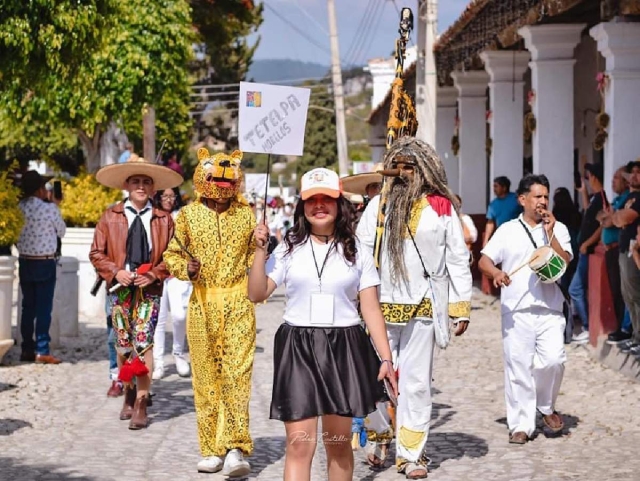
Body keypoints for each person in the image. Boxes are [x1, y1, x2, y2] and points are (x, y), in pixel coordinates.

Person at [247, 167, 397, 481]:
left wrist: (386, 359)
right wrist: (260, 252)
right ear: (302, 206)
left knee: (338, 445)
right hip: (297, 347)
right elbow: (256, 293)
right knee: (300, 445)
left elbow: (371, 309)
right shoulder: (287, 248)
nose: (319, 205)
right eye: (311, 199)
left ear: (338, 203)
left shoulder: (357, 251)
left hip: (343, 347)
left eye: (326, 199)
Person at [357, 137, 472, 479]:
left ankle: (411, 454)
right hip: (380, 305)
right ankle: (378, 435)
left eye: (411, 166)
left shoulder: (441, 207)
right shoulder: (378, 206)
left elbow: (457, 256)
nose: (404, 173)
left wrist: (460, 305)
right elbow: (362, 251)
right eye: (399, 165)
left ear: (425, 169)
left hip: (425, 303)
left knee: (417, 383)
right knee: (374, 379)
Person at [163, 149, 256, 477]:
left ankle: (235, 447)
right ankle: (211, 448)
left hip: (238, 303)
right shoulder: (187, 216)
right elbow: (171, 255)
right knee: (205, 379)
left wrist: (260, 247)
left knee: (237, 376)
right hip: (202, 305)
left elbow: (251, 260)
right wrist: (185, 268)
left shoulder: (247, 215)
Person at [90, 154, 182, 430]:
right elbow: (96, 252)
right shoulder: (110, 216)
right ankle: (127, 389)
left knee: (143, 342)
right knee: (123, 343)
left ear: (153, 189)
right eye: (136, 181)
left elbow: (173, 256)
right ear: (127, 185)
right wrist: (115, 271)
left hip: (149, 290)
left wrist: (154, 273)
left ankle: (142, 400)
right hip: (119, 289)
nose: (141, 186)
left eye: (146, 182)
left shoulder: (164, 220)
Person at [479, 174, 572, 444]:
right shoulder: (507, 230)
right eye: (537, 196)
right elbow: (485, 260)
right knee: (518, 367)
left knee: (554, 361)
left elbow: (564, 261)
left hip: (550, 307)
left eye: (546, 196)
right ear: (522, 200)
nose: (543, 201)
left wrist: (551, 232)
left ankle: (545, 406)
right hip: (516, 309)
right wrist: (496, 273)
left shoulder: (558, 228)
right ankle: (520, 424)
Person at [16, 170, 67, 364]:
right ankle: (42, 349)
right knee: (44, 308)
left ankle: (26, 348)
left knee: (27, 307)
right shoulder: (49, 209)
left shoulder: (18, 207)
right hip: (44, 261)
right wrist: (55, 205)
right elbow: (61, 232)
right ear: (39, 189)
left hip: (25, 260)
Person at [152, 187, 192, 379]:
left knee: (179, 315)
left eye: (172, 195)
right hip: (157, 274)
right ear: (158, 197)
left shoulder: (181, 216)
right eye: (164, 196)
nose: (168, 199)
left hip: (177, 274)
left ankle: (178, 353)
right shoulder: (152, 217)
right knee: (158, 320)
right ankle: (158, 361)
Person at [570, 163, 606, 344]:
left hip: (588, 250)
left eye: (588, 176)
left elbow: (602, 226)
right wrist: (583, 191)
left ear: (594, 177)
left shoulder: (603, 198)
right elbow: (588, 214)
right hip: (584, 250)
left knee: (575, 288)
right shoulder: (594, 198)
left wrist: (587, 243)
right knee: (580, 288)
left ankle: (587, 326)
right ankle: (587, 325)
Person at [598, 166, 632, 345]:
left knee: (623, 291)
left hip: (620, 248)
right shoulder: (617, 200)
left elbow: (612, 221)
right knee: (616, 290)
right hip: (611, 251)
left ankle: (625, 329)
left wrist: (610, 218)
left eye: (616, 178)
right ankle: (621, 327)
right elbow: (602, 218)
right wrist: (608, 218)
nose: (613, 182)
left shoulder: (628, 199)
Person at [610, 160, 640, 356]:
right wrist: (618, 217)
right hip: (624, 249)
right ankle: (636, 336)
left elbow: (624, 218)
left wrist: (618, 217)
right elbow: (614, 219)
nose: (634, 176)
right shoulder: (630, 196)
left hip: (634, 250)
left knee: (636, 295)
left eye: (639, 172)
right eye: (633, 173)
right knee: (628, 295)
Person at [552, 187, 582, 293]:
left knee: (564, 280)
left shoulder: (555, 215)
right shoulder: (575, 213)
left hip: (562, 250)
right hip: (575, 249)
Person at [482, 176, 522, 246]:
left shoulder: (516, 199)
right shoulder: (493, 204)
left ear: (504, 188)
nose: (494, 189)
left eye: (496, 186)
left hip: (517, 235)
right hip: (502, 236)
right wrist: (486, 240)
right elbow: (490, 223)